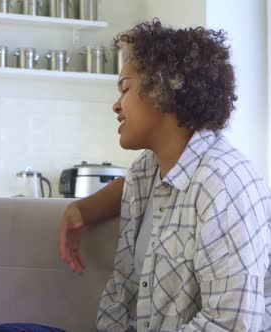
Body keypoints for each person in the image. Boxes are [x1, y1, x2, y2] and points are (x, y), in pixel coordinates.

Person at [59, 19, 271, 331]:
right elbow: (128, 187)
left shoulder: (223, 184)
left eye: (125, 88)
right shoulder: (150, 171)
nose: (116, 105)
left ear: (165, 87)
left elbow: (231, 324)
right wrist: (79, 210)